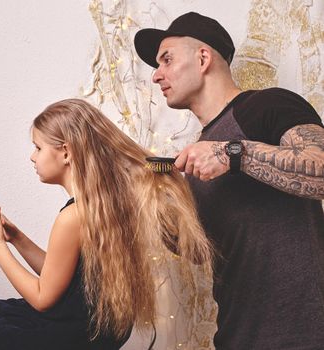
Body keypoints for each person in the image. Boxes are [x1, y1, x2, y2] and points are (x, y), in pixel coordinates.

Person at [135, 11, 324, 349]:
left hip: (304, 335)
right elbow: (201, 253)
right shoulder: (195, 156)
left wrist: (234, 154)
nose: (156, 76)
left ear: (203, 57)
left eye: (166, 59)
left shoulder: (266, 105)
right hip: (235, 338)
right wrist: (156, 210)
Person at [0, 98, 213, 349]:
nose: (32, 156)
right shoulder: (101, 207)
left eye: (38, 147)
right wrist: (17, 238)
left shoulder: (72, 217)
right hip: (96, 333)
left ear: (66, 152)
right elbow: (61, 281)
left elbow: (42, 298)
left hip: (74, 337)